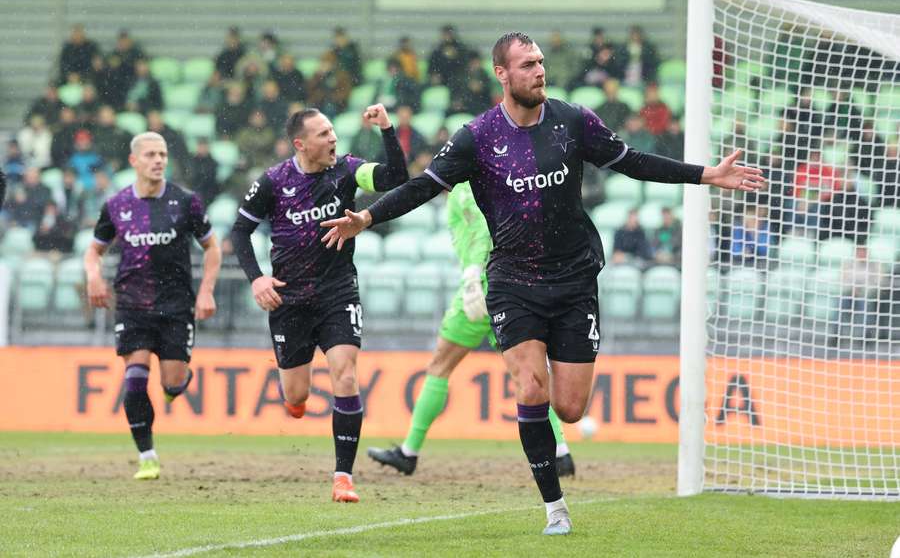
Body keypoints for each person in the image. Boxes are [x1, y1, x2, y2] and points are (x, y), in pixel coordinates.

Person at [322, 32, 763, 535]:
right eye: (527, 63)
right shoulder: (478, 136)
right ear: (502, 74)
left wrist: (706, 175)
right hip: (512, 280)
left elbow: (633, 162)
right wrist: (369, 218)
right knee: (529, 386)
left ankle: (551, 436)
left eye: (540, 62)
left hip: (575, 278)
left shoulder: (573, 120)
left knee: (570, 408)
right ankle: (555, 507)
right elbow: (424, 185)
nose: (538, 70)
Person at [229, 104, 408, 503]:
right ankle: (296, 402)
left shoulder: (346, 169)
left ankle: (343, 476)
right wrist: (257, 278)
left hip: (337, 291)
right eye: (324, 134)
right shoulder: (273, 181)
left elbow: (395, 177)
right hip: (289, 300)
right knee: (296, 394)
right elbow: (239, 232)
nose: (334, 139)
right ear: (301, 144)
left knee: (344, 373)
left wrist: (387, 129)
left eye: (332, 131)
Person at [367, 180, 577, 477]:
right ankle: (561, 454)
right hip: (513, 283)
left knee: (440, 365)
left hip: (483, 284)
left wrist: (471, 277)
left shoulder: (465, 188)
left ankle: (408, 452)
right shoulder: (498, 181)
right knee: (528, 373)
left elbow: (479, 232)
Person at [84, 132, 222, 481]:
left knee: (172, 383)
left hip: (176, 306)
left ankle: (177, 384)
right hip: (132, 304)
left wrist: (206, 291)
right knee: (134, 378)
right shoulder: (116, 205)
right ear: (134, 161)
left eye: (162, 154)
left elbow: (212, 247)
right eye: (150, 155)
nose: (159, 160)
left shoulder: (186, 201)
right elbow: (94, 250)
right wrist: (93, 277)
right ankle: (147, 455)